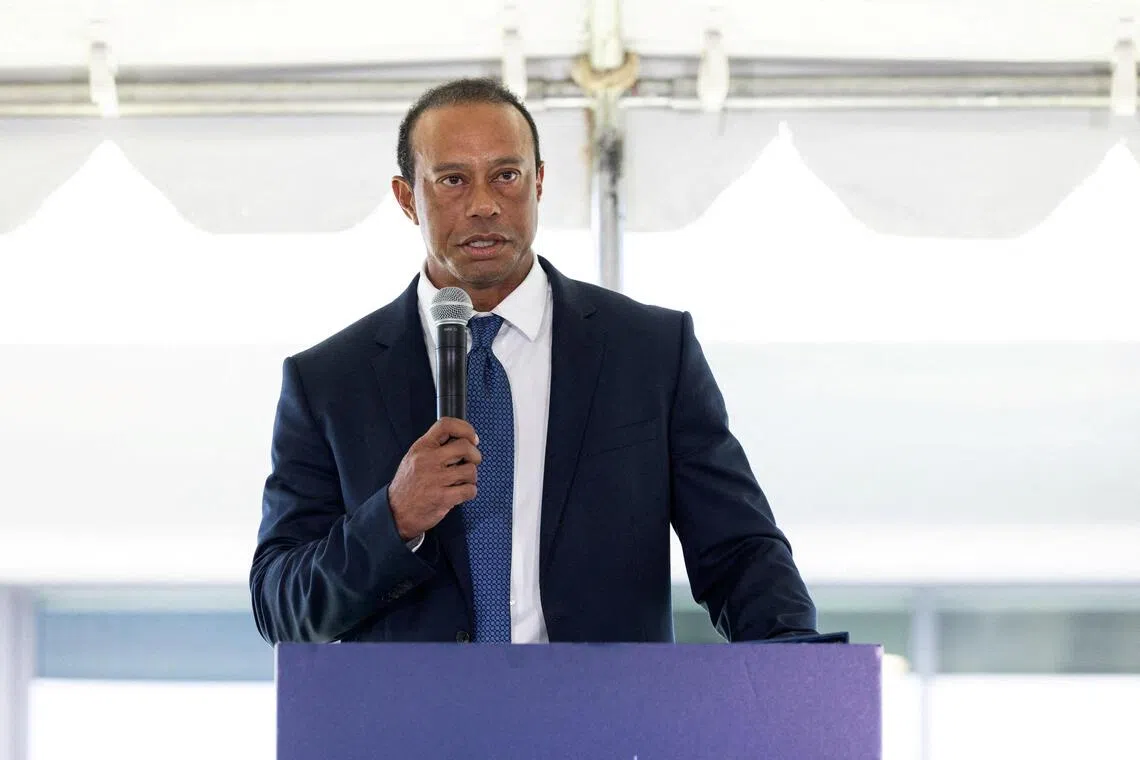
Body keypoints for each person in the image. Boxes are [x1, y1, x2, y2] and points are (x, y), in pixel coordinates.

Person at [250, 77, 818, 644]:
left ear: (539, 182)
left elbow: (739, 551)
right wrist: (393, 519)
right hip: (415, 726)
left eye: (506, 175)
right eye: (452, 180)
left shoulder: (648, 352)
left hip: (602, 721)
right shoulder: (327, 383)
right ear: (406, 198)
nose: (483, 204)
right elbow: (281, 607)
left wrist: (799, 678)